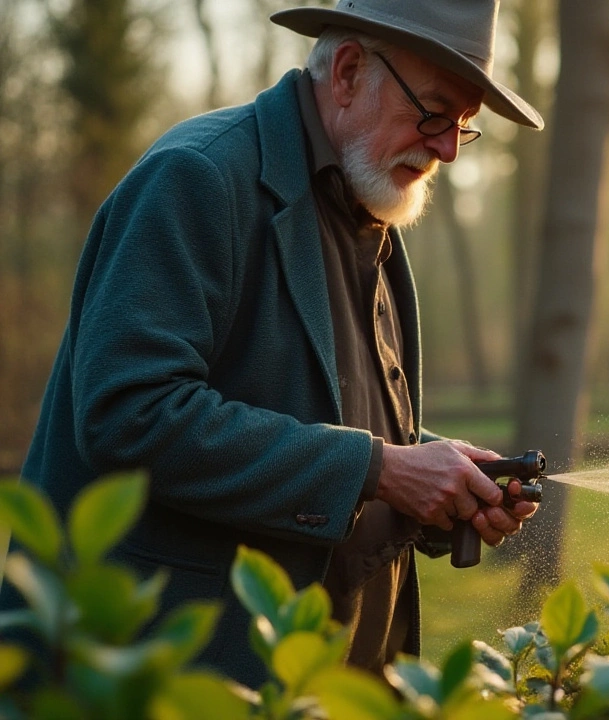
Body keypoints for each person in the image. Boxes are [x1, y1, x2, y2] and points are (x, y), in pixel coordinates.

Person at [8, 0, 543, 687]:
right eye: (435, 111)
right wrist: (380, 468)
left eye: (463, 129)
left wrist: (440, 485)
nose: (445, 148)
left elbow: (318, 418)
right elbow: (130, 414)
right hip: (178, 683)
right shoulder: (196, 178)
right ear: (349, 71)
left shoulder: (366, 205)